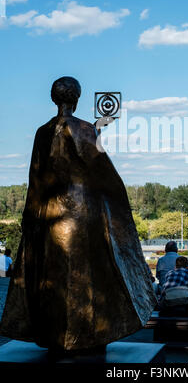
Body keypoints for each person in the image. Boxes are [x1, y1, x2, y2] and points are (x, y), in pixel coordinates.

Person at [0, 77, 156, 352]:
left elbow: (34, 178)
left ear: (54, 98)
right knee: (88, 275)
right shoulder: (84, 128)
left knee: (55, 275)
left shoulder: (41, 132)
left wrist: (30, 215)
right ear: (77, 98)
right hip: (83, 212)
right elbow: (101, 170)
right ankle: (87, 336)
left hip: (51, 215)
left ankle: (56, 336)